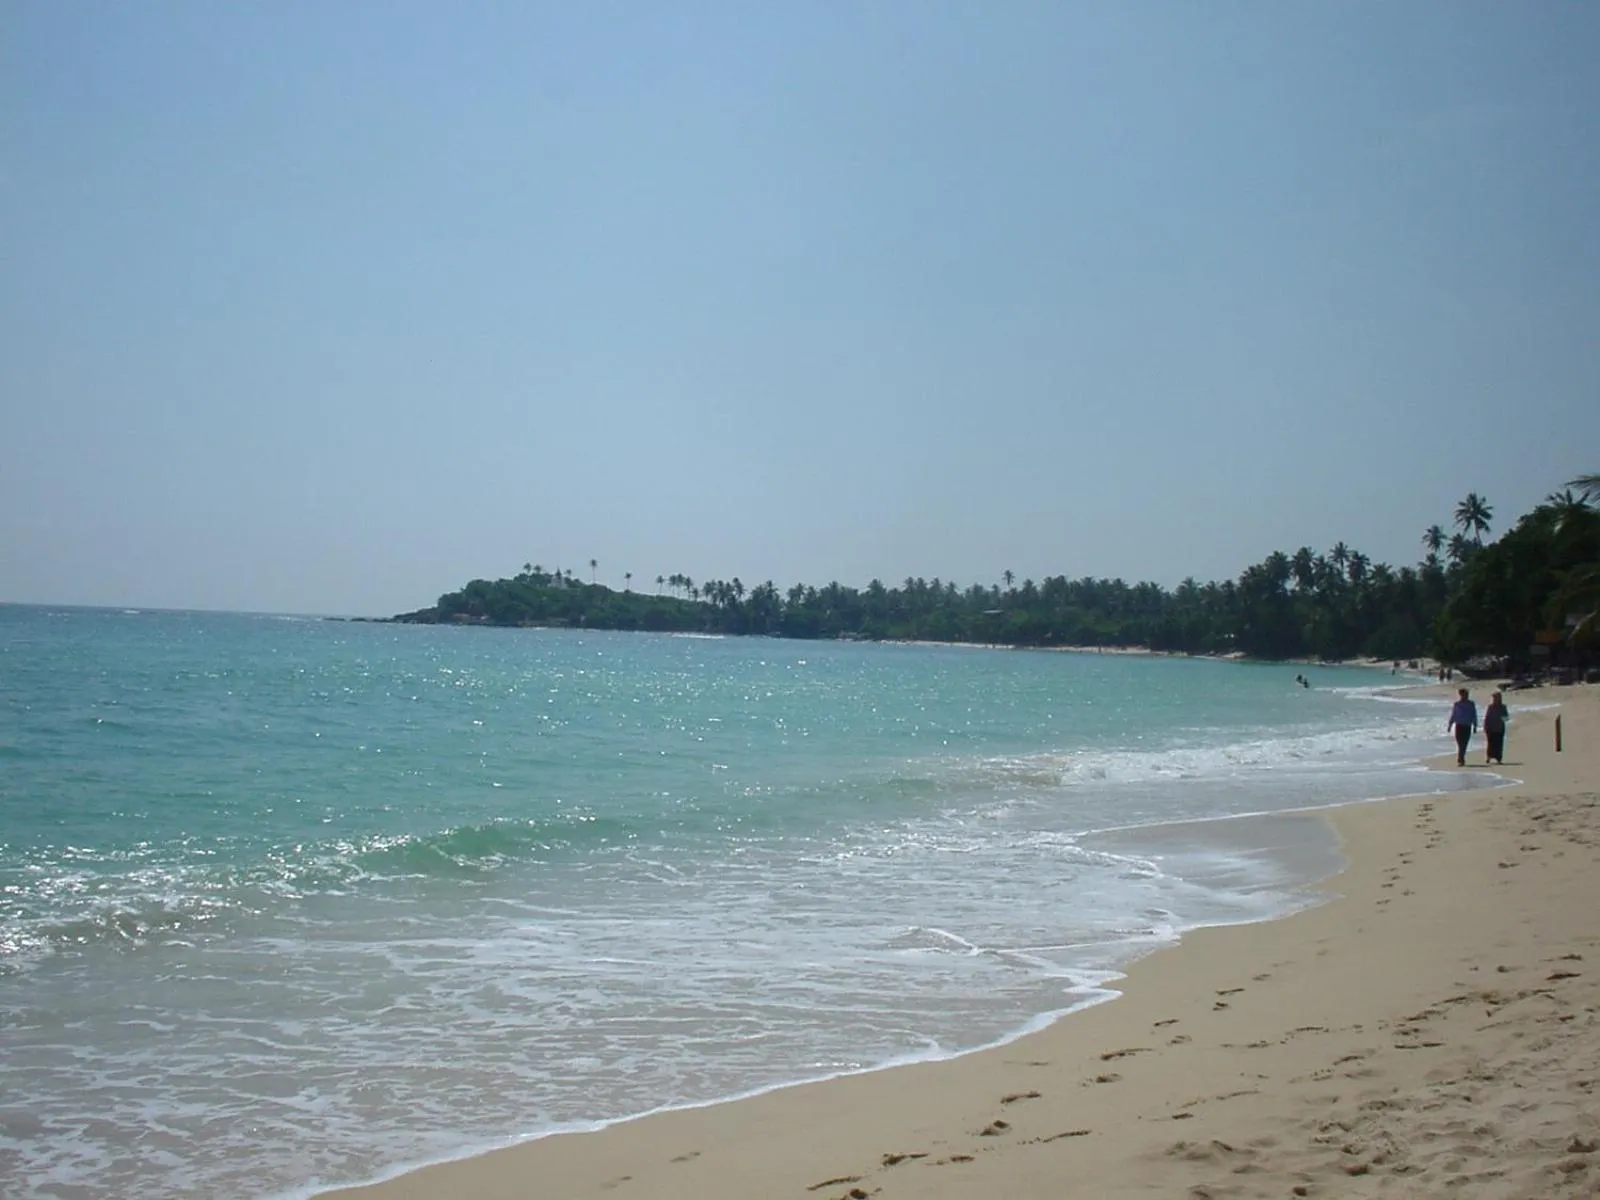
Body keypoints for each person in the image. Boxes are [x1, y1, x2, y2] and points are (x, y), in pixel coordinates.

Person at [1447, 688, 1477, 766]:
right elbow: (1454, 715)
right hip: (1459, 726)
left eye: (1466, 695)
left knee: (1464, 743)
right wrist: (1450, 725)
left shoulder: (1471, 704)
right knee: (1460, 743)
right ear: (1460, 695)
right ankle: (1461, 758)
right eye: (1463, 694)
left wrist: (1475, 725)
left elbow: (1474, 715)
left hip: (1467, 726)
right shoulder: (1457, 704)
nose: (1465, 696)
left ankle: (1461, 759)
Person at [1483, 691, 1509, 764]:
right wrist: (1485, 726)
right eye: (1494, 698)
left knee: (1499, 744)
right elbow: (1487, 717)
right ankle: (1489, 757)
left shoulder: (1503, 707)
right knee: (1490, 743)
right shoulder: (1490, 707)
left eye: (1496, 698)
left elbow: (1506, 719)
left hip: (1499, 728)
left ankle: (1499, 759)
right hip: (1490, 728)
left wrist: (1502, 717)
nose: (1494, 699)